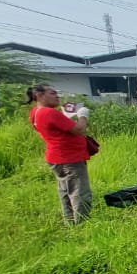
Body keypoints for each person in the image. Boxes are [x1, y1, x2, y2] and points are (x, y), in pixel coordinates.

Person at [28, 84, 93, 224]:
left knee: (66, 191)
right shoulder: (49, 112)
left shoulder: (35, 112)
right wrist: (83, 116)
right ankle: (83, 226)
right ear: (40, 96)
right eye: (52, 93)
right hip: (69, 158)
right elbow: (79, 129)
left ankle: (70, 222)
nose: (57, 96)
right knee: (80, 192)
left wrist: (66, 118)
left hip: (56, 158)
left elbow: (53, 130)